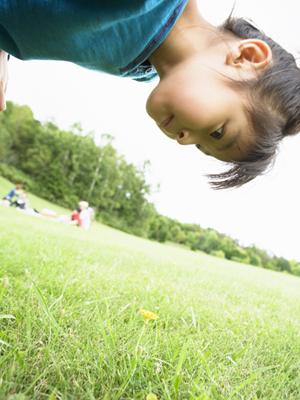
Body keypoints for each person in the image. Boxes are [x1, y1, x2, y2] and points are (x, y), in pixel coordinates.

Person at [0, 1, 298, 188]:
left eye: (199, 146)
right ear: (245, 57)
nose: (184, 140)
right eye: (218, 132)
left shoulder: (138, 66)